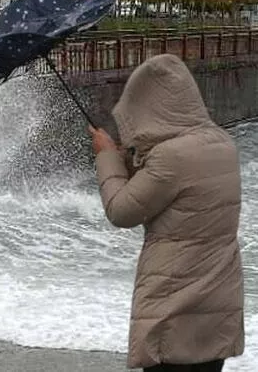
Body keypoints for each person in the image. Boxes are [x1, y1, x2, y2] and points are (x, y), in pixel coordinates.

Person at [88, 54, 244, 372]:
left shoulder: (171, 158)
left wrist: (107, 157)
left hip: (174, 307)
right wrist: (130, 161)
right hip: (217, 304)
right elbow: (175, 188)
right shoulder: (221, 143)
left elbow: (121, 211)